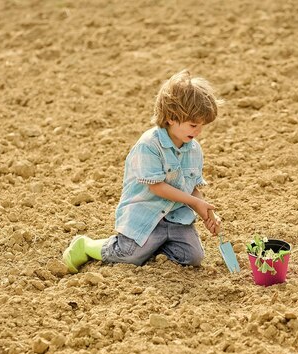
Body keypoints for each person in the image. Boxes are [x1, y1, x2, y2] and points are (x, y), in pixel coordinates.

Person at [62, 70, 222, 273]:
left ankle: (154, 245)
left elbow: (192, 187)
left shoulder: (193, 149)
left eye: (202, 126)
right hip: (146, 215)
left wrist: (205, 210)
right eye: (193, 125)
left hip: (176, 217)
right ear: (172, 117)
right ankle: (86, 245)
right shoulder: (149, 145)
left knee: (192, 258)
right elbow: (157, 187)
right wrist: (193, 202)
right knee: (129, 256)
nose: (198, 131)